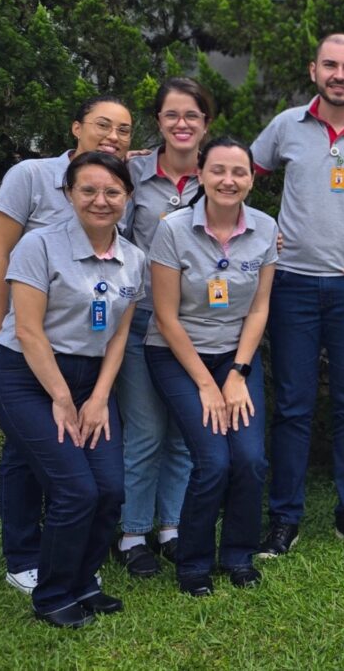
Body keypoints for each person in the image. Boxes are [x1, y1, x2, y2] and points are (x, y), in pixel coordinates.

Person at [251, 33, 344, 557]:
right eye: (330, 65)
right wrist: (257, 231)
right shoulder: (285, 126)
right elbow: (234, 177)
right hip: (290, 282)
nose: (340, 74)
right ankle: (283, 519)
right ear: (314, 70)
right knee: (291, 406)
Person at [0, 95, 133, 594]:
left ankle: (77, 572)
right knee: (53, 474)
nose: (100, 198)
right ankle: (31, 563)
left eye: (125, 129)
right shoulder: (32, 189)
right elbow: (1, 260)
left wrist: (96, 396)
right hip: (29, 359)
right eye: (102, 124)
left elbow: (117, 323)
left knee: (100, 485)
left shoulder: (128, 251)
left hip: (87, 367)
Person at [144, 137, 277, 596]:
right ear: (201, 174)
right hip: (178, 355)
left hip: (235, 357)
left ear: (251, 180)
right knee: (214, 460)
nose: (228, 180)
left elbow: (259, 309)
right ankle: (193, 563)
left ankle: (238, 556)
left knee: (251, 458)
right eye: (218, 170)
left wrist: (237, 374)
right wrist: (206, 383)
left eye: (239, 172)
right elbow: (164, 315)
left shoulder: (264, 228)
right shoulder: (173, 229)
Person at [115, 78, 214, 577]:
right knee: (147, 431)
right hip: (141, 325)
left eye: (191, 116)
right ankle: (133, 533)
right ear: (159, 121)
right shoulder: (132, 172)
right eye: (172, 115)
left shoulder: (215, 174)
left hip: (198, 328)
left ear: (205, 124)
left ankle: (171, 527)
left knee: (182, 434)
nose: (182, 124)